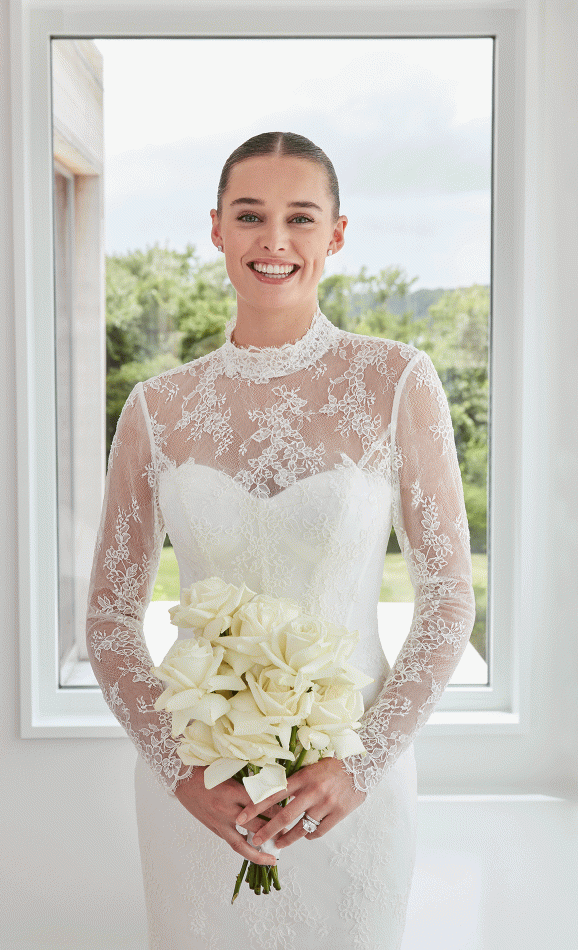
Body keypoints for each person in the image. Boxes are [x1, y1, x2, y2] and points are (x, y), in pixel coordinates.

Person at [86, 131, 475, 950]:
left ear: (336, 234)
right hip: (200, 794)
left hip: (349, 795)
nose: (274, 240)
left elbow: (447, 600)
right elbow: (111, 621)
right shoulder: (157, 409)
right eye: (250, 215)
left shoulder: (397, 380)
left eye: (301, 218)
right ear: (217, 230)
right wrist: (183, 774)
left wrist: (359, 767)